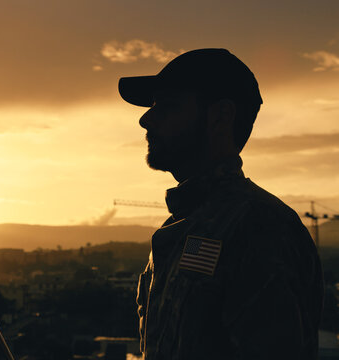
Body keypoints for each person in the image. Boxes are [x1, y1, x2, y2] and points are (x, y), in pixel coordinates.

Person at [118, 48, 324, 359]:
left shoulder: (259, 228)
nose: (145, 119)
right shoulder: (186, 226)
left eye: (168, 105)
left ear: (220, 116)